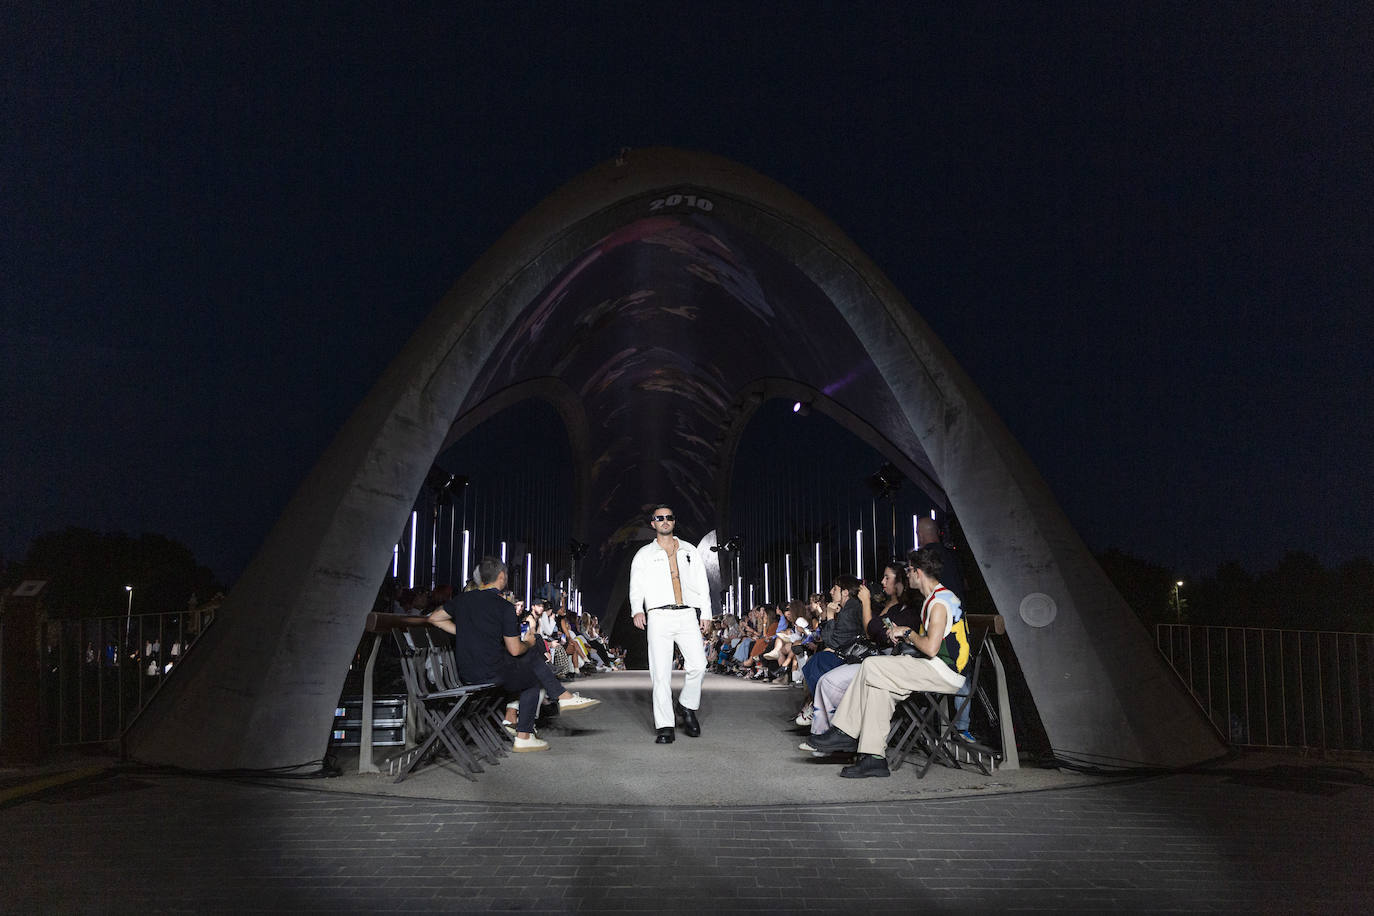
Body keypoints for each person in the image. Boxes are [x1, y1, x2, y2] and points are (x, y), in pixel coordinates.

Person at [807, 545, 967, 778]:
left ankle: (844, 730)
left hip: (944, 671)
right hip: (934, 666)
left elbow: (932, 648)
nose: (908, 575)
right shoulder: (936, 598)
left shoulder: (939, 603)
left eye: (910, 571)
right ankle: (873, 758)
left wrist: (906, 633)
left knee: (871, 665)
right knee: (879, 689)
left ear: (919, 573)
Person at [428, 556, 600, 752]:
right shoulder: (504, 606)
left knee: (530, 662)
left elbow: (435, 618)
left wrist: (466, 632)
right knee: (531, 677)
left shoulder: (462, 599)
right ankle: (527, 732)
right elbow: (515, 649)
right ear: (501, 576)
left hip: (464, 673)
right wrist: (529, 641)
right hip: (489, 673)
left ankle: (561, 698)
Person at [628, 504, 712, 744]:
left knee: (699, 664)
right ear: (653, 523)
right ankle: (665, 725)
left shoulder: (689, 550)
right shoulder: (644, 554)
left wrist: (705, 612)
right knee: (660, 673)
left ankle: (686, 705)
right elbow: (637, 584)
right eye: (660, 518)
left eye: (669, 517)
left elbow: (701, 582)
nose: (665, 521)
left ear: (674, 522)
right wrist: (637, 610)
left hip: (687, 614)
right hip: (658, 615)